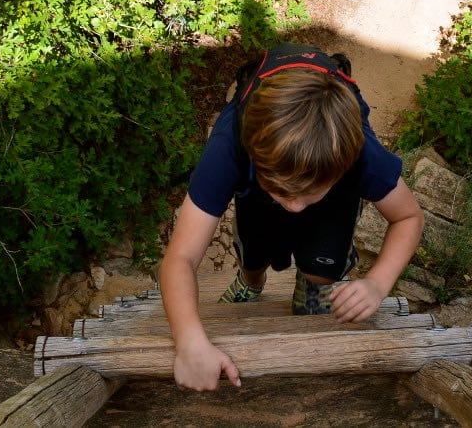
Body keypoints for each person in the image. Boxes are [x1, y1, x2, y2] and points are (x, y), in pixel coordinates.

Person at [159, 42, 424, 392]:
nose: (294, 207)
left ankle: (312, 287)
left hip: (316, 185)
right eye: (282, 192)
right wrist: (190, 341)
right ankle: (251, 282)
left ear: (344, 166)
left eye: (307, 194)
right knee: (254, 251)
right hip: (264, 181)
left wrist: (377, 283)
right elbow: (180, 257)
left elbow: (408, 217)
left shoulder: (358, 152)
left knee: (322, 265)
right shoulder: (229, 146)